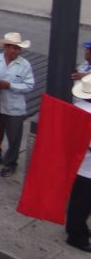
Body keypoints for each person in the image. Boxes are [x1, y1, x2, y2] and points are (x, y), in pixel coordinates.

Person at [0, 32, 35, 177]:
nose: (16, 51)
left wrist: (9, 85)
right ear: (6, 47)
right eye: (13, 48)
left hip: (14, 108)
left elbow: (29, 86)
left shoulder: (25, 65)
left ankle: (10, 163)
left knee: (14, 138)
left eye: (18, 48)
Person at [66, 74, 91, 252]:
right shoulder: (86, 112)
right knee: (83, 203)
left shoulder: (77, 107)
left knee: (78, 201)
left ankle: (76, 228)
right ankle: (76, 236)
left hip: (79, 165)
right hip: (87, 167)